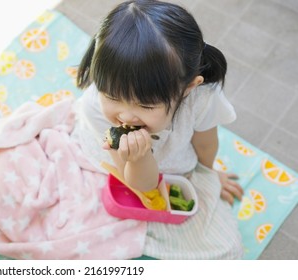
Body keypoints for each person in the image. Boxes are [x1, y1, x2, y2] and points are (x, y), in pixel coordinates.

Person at [71, 0, 244, 259]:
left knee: (229, 250)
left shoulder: (202, 97)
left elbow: (206, 144)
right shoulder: (94, 108)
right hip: (130, 170)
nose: (125, 116)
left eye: (144, 104)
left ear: (188, 88)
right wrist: (139, 158)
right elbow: (141, 184)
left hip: (177, 161)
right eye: (112, 96)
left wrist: (208, 173)